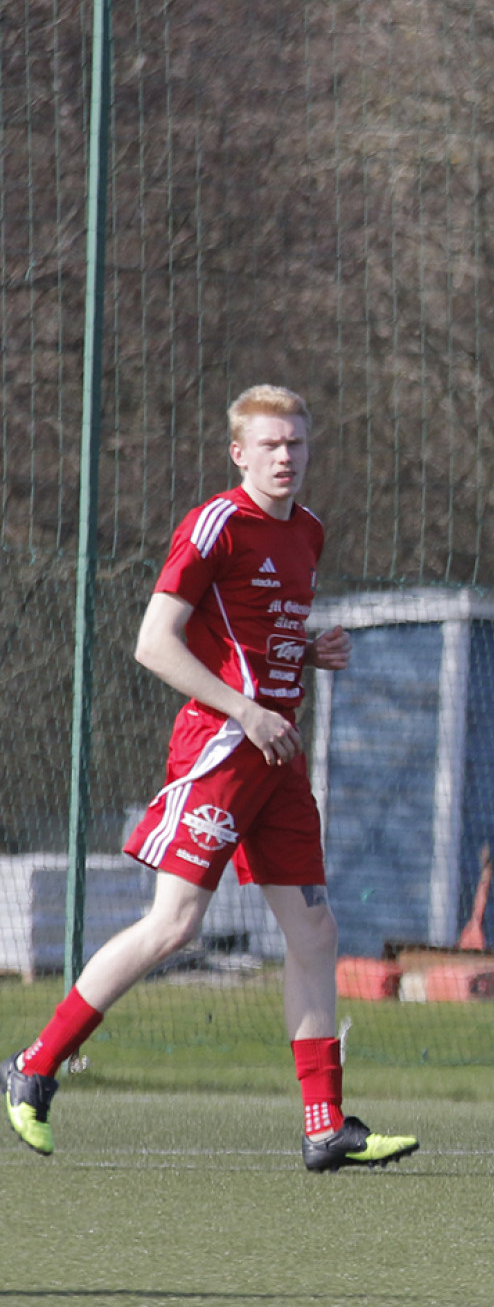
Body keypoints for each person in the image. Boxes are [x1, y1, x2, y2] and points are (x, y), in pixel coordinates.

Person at [5, 387, 414, 1172]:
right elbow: (153, 643)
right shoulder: (214, 523)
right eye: (269, 445)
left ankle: (325, 1126)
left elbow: (262, 636)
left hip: (278, 756)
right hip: (224, 748)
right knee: (174, 926)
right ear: (239, 453)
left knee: (314, 933)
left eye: (296, 443)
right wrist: (247, 710)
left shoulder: (310, 533)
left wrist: (310, 655)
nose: (285, 457)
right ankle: (33, 1066)